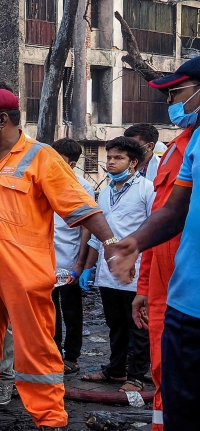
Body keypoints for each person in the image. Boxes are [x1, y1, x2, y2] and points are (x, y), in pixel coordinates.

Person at [0, 87, 119, 431]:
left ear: (3, 119)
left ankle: (51, 422)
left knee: (35, 343)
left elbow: (81, 208)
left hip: (24, 270)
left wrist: (112, 246)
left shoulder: (41, 157)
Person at [108, 61, 200, 431]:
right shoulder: (191, 144)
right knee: (181, 410)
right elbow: (175, 212)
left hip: (181, 296)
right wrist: (133, 248)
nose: (173, 100)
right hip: (186, 299)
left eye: (180, 90)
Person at [78, 137, 154, 393]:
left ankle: (137, 376)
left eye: (118, 158)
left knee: (139, 327)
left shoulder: (147, 189)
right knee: (116, 326)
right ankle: (116, 370)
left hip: (136, 271)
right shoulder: (106, 191)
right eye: (109, 157)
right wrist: (88, 267)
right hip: (107, 273)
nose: (110, 162)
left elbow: (155, 232)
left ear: (133, 162)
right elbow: (100, 237)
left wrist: (149, 271)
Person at [49, 138, 95, 374]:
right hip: (44, 260)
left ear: (73, 164)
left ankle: (72, 356)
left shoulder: (83, 187)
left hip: (69, 259)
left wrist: (81, 264)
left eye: (60, 160)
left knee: (71, 310)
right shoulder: (44, 182)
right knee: (49, 310)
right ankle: (54, 352)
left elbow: (87, 227)